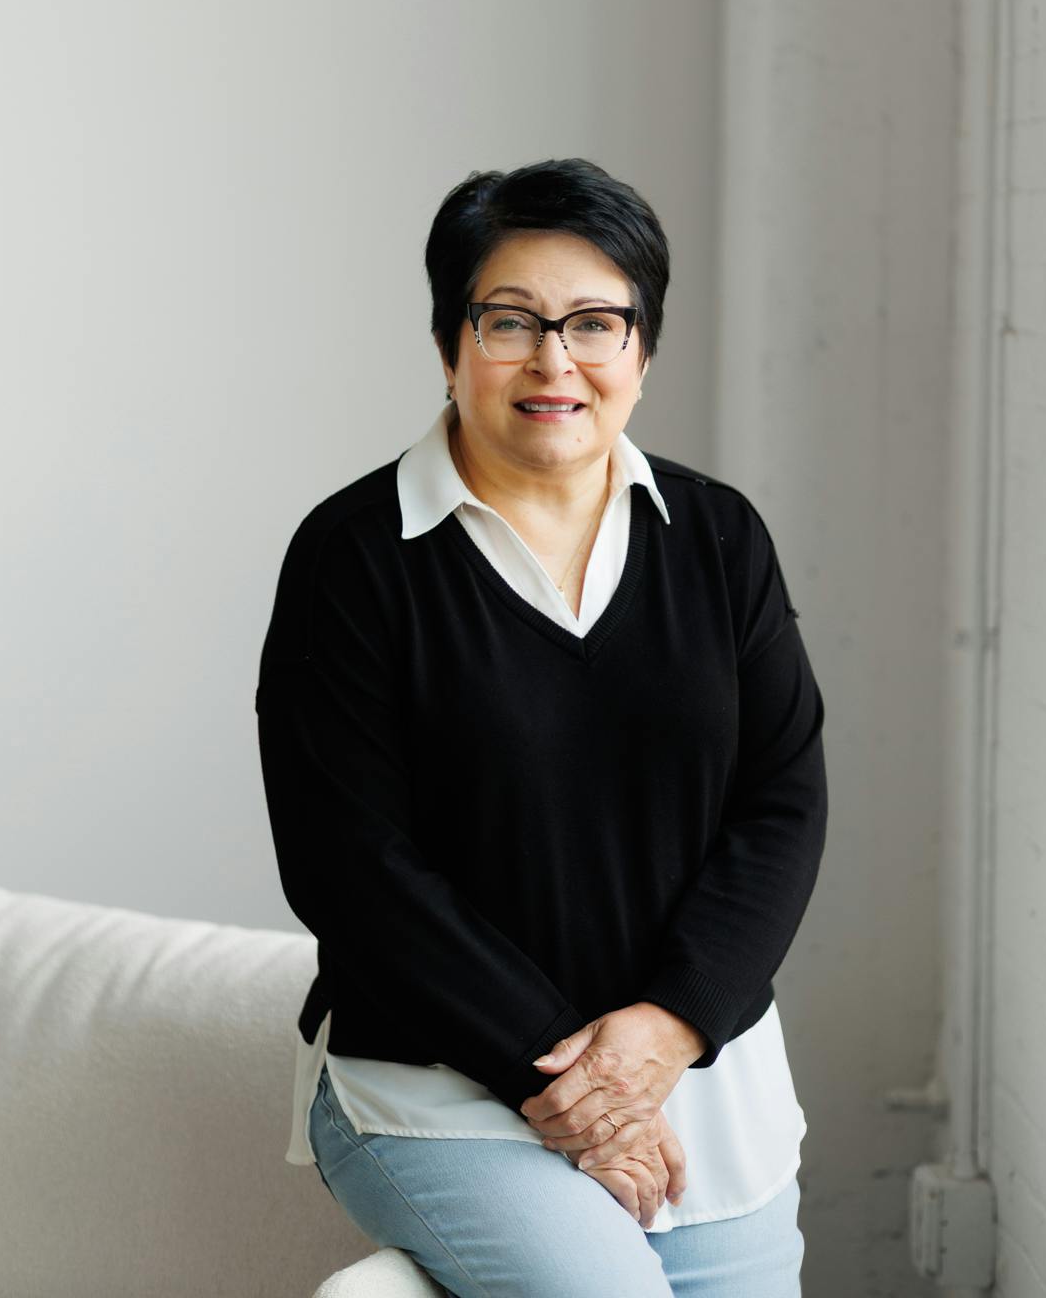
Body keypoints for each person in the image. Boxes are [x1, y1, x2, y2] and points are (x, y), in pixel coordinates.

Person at [255, 157, 829, 1296]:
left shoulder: (719, 539)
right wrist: (573, 1089)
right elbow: (350, 867)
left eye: (596, 324)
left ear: (642, 351)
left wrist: (667, 1029)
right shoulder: (354, 559)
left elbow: (782, 803)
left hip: (702, 1084)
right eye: (510, 321)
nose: (554, 361)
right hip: (441, 1091)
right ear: (449, 343)